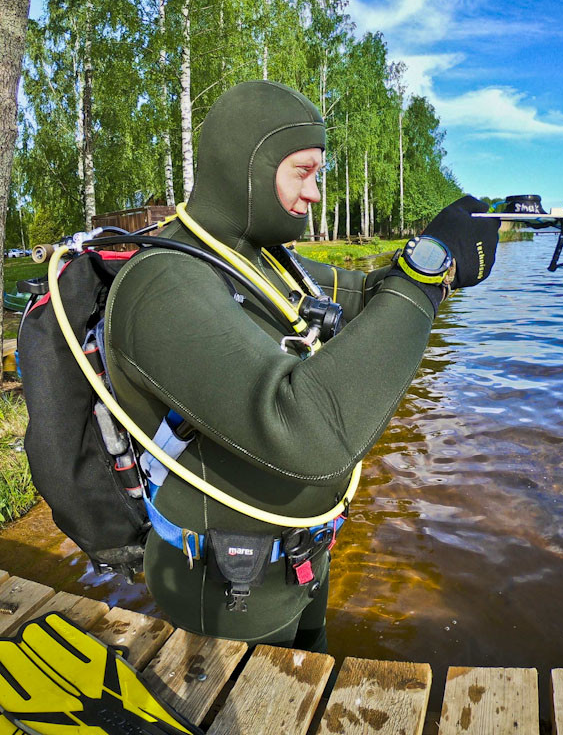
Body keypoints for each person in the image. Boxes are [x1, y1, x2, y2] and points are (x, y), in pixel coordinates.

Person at [104, 80, 499, 648]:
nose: (315, 192)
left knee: (312, 667)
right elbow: (304, 430)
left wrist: (445, 250)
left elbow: (367, 296)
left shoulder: (262, 260)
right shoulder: (163, 282)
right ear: (248, 166)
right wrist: (426, 274)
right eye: (302, 171)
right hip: (227, 585)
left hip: (300, 553)